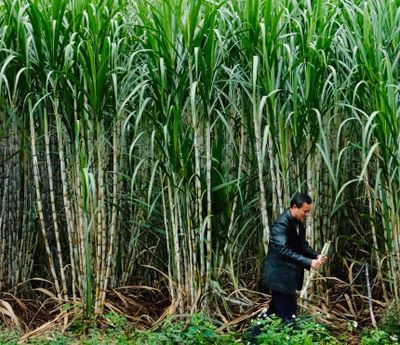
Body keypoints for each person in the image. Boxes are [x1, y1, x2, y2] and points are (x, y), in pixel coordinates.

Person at [262, 192, 328, 321]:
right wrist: (308, 262)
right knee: (287, 315)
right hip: (279, 277)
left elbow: (302, 245)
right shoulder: (281, 224)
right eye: (305, 211)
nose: (307, 215)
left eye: (308, 211)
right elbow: (283, 250)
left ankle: (253, 337)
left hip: (288, 278)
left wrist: (316, 255)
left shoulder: (298, 223)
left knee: (275, 312)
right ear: (294, 207)